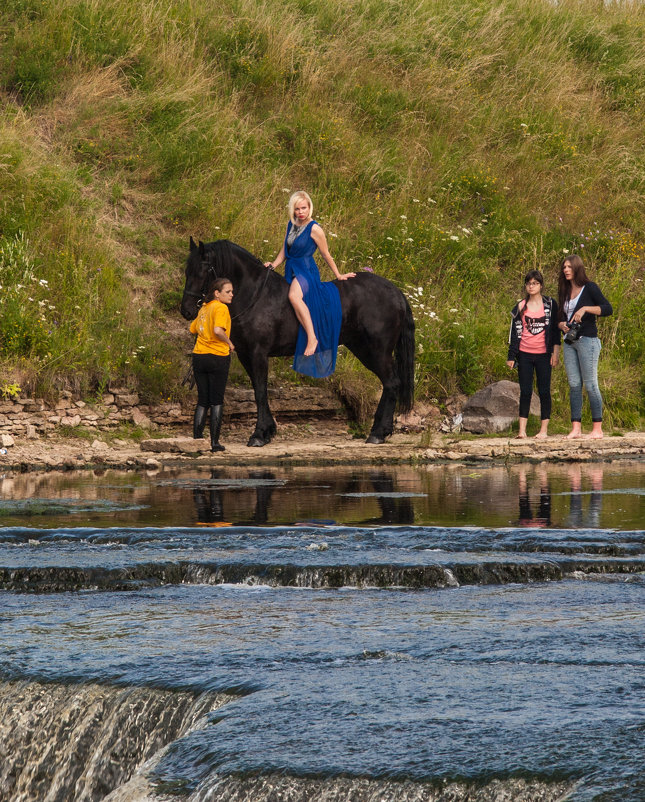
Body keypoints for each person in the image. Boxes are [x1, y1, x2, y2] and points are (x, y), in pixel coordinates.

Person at [264, 190, 355, 377]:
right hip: (291, 268)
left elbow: (325, 254)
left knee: (293, 296)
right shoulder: (292, 224)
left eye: (303, 208)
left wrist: (338, 274)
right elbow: (284, 249)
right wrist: (273, 265)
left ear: (309, 207)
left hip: (306, 271)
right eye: (297, 209)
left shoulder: (315, 229)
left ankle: (312, 338)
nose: (300, 212)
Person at [557, 254, 612, 439]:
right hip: (569, 341)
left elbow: (607, 308)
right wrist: (561, 325)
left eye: (569, 267)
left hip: (588, 340)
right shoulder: (564, 290)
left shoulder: (590, 288)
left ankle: (597, 429)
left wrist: (586, 308)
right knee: (574, 384)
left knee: (590, 384)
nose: (566, 270)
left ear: (577, 268)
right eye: (564, 267)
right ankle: (576, 428)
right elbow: (559, 317)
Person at [507, 270, 561, 438]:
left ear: (541, 285)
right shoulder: (521, 306)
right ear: (526, 286)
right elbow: (514, 333)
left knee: (544, 391)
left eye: (535, 283)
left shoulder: (550, 304)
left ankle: (543, 430)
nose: (531, 286)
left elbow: (555, 332)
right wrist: (511, 356)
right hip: (524, 354)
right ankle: (522, 431)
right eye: (529, 283)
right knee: (525, 391)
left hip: (544, 354)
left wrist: (555, 353)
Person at [189, 278, 235, 452]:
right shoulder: (221, 307)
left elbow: (192, 329)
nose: (232, 294)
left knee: (202, 401)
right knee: (216, 400)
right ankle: (215, 443)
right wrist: (230, 343)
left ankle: (197, 440)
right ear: (217, 293)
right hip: (217, 356)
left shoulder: (204, 308)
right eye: (228, 291)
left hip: (199, 356)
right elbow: (217, 330)